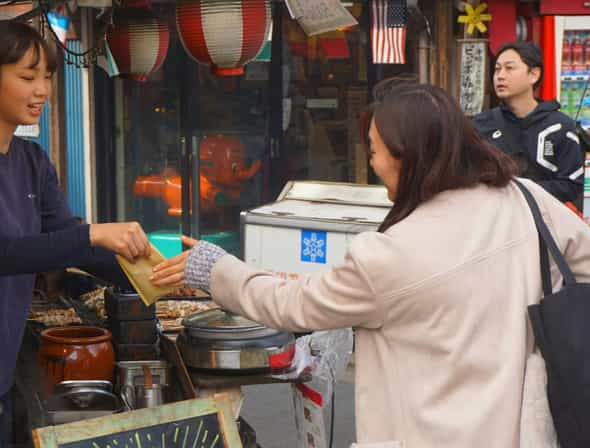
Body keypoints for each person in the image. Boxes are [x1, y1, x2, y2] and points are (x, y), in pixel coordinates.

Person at [152, 80, 590, 447]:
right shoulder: (524, 199)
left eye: (375, 150)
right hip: (524, 432)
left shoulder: (393, 254)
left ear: (410, 156)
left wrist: (215, 268)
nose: (373, 163)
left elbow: (294, 305)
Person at [0, 20, 149, 447]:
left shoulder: (31, 159)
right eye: (27, 76)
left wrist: (161, 277)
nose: (42, 90)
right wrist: (94, 234)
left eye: (48, 77)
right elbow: (0, 253)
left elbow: (70, 243)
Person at [474, 41, 584, 210]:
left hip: (544, 226)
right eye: (497, 69)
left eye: (509, 68)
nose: (500, 76)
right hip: (495, 226)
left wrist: (519, 192)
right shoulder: (481, 125)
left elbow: (572, 185)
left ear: (534, 74)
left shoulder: (561, 127)